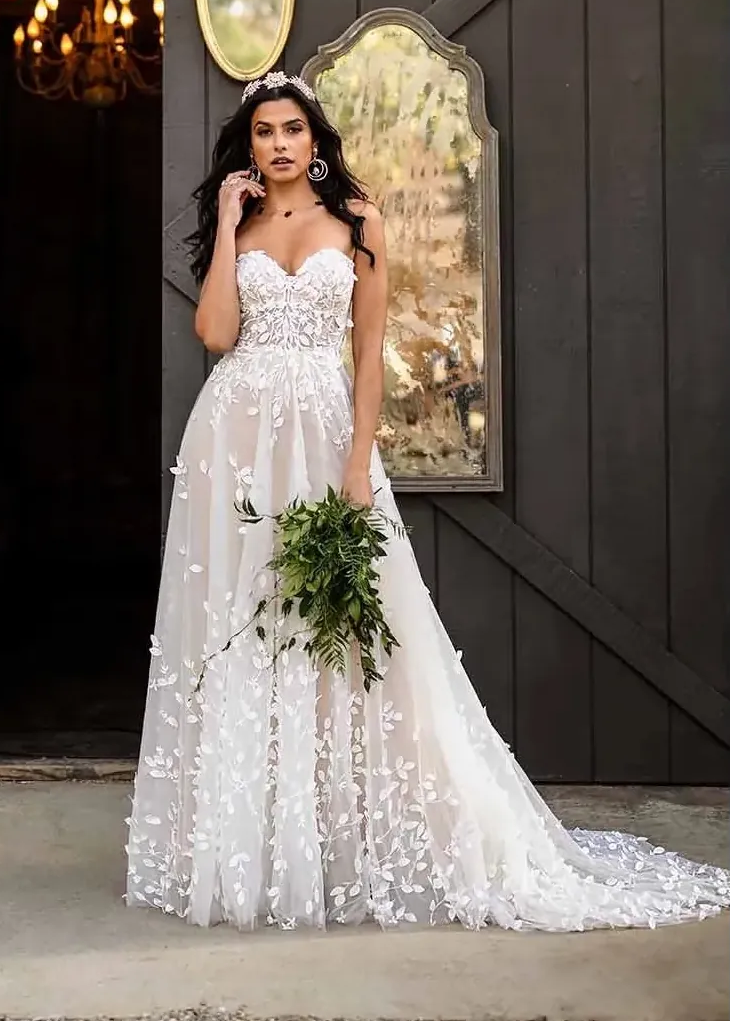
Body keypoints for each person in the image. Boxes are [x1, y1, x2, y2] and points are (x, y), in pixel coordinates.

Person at [126, 72, 729, 932]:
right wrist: (226, 224)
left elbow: (369, 353)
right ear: (249, 146)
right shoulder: (243, 224)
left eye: (295, 129)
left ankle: (340, 836)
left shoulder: (359, 220)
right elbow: (217, 333)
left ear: (316, 137)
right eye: (265, 133)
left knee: (343, 630)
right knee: (239, 625)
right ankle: (246, 841)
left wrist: (358, 460)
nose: (281, 145)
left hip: (324, 433)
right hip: (234, 443)